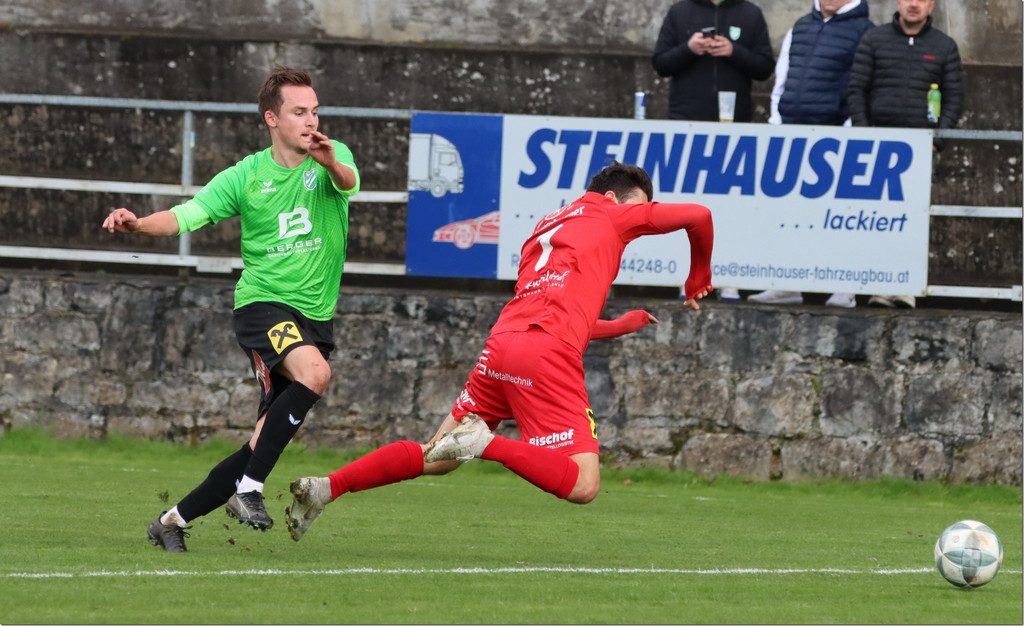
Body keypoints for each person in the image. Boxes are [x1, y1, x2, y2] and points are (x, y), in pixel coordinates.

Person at [283, 163, 714, 541]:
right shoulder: (611, 214)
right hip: (544, 350)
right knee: (583, 484)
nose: (637, 221)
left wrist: (617, 325)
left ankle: (325, 488)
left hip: (504, 345)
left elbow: (547, 313)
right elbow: (700, 216)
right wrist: (698, 276)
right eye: (638, 207)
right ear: (612, 197)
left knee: (437, 455)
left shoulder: (545, 227)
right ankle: (485, 443)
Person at [102, 66, 360, 552]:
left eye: (315, 111)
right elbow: (187, 215)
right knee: (315, 373)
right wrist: (137, 225)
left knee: (259, 445)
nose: (311, 120)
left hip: (314, 318)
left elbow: (348, 183)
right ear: (272, 118)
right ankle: (249, 491)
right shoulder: (245, 175)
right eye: (299, 112)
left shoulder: (333, 157)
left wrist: (330, 163)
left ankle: (171, 521)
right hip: (263, 305)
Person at [747, 0, 873, 309]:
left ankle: (844, 287)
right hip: (792, 133)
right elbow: (783, 76)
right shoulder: (801, 26)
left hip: (835, 135)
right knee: (790, 214)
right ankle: (786, 283)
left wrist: (849, 129)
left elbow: (860, 85)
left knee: (840, 215)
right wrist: (776, 122)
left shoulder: (865, 31)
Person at [846, 0, 963, 309]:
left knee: (914, 218)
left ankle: (905, 286)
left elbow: (954, 97)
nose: (914, 4)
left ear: (931, 5)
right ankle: (877, 285)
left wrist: (939, 139)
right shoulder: (874, 39)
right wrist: (865, 134)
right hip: (878, 145)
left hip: (920, 147)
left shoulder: (944, 46)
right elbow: (856, 89)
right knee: (874, 218)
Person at [652, 0, 771, 303]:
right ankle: (687, 278)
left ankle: (730, 279)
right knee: (685, 207)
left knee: (733, 206)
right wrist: (689, 48)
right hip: (686, 123)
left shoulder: (750, 13)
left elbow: (764, 67)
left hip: (733, 127)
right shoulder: (680, 11)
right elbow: (660, 63)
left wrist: (733, 51)